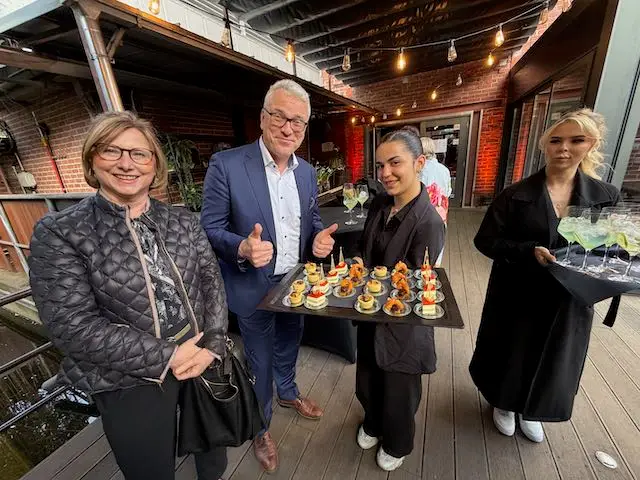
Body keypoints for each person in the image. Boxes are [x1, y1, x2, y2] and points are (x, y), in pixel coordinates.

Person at [28, 111, 229, 480]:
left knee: (213, 450)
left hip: (200, 354)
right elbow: (71, 325)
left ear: (154, 165)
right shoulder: (60, 232)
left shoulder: (182, 220)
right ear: (92, 158)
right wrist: (168, 355)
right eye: (111, 150)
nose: (126, 163)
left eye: (139, 153)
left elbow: (211, 281)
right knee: (148, 468)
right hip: (125, 378)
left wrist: (213, 344)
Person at [200, 79, 337, 473]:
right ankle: (261, 427)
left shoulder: (306, 172)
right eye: (280, 117)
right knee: (259, 362)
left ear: (305, 127)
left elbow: (311, 219)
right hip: (252, 286)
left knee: (290, 344)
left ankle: (288, 392)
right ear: (262, 118)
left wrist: (318, 240)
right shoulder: (227, 165)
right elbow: (209, 227)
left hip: (296, 283)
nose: (288, 128)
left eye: (298, 122)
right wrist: (241, 247)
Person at [470, 108, 620, 443]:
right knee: (513, 348)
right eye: (556, 140)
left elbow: (613, 247)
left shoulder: (606, 197)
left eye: (576, 140)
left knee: (554, 353)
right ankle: (504, 403)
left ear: (591, 144)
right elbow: (486, 240)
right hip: (519, 290)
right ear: (545, 145)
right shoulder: (515, 195)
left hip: (570, 297)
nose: (564, 148)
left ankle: (533, 409)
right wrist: (528, 251)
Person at [353, 127, 445, 472]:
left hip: (403, 324)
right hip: (370, 311)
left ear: (419, 163)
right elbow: (365, 248)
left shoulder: (429, 222)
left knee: (398, 389)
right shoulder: (380, 203)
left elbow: (413, 286)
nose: (385, 173)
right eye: (380, 165)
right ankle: (373, 422)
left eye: (395, 163)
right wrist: (359, 261)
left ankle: (397, 442)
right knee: (368, 378)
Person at [419, 136, 451, 223]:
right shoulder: (444, 169)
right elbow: (448, 192)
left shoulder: (420, 169)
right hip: (441, 211)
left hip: (424, 213)